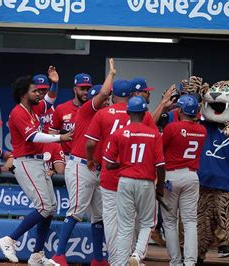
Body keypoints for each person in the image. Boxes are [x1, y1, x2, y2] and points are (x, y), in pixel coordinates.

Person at [0, 75, 72, 264]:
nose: (39, 93)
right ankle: (10, 239)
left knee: (51, 208)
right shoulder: (18, 112)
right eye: (35, 91)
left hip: (38, 162)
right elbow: (33, 137)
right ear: (24, 94)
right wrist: (59, 138)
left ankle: (37, 255)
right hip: (25, 162)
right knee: (44, 206)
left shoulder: (34, 107)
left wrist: (54, 82)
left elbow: (50, 100)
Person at [52, 59, 116, 266]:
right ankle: (59, 255)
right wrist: (112, 74)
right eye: (101, 99)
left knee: (99, 216)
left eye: (106, 100)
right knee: (77, 210)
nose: (105, 102)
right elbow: (104, 93)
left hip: (97, 168)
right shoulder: (87, 110)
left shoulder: (108, 116)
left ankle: (98, 259)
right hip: (81, 166)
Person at [85, 79, 154, 264]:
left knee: (111, 221)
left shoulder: (102, 114)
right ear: (132, 94)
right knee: (132, 221)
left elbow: (90, 143)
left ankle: (117, 261)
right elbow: (155, 142)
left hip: (110, 175)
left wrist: (90, 159)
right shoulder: (143, 116)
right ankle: (133, 256)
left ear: (112, 95)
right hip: (136, 174)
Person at [104, 96, 166, 266]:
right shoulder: (154, 134)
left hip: (124, 180)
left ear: (128, 112)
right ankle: (137, 255)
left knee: (124, 227)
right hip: (145, 182)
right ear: (145, 112)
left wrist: (122, 162)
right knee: (148, 223)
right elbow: (160, 165)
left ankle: (119, 263)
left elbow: (108, 165)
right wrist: (160, 186)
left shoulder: (119, 133)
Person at [161, 95, 206, 266]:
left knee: (170, 222)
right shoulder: (202, 130)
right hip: (191, 176)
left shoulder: (172, 128)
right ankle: (190, 262)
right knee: (190, 221)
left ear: (180, 110)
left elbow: (159, 149)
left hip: (171, 176)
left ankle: (176, 262)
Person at [49, 71, 93, 156]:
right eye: (82, 89)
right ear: (75, 89)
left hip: (87, 157)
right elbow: (52, 133)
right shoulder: (62, 108)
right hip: (66, 156)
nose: (86, 92)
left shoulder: (94, 110)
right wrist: (61, 138)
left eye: (88, 89)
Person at [33, 67, 59, 133]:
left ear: (48, 89)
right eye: (38, 89)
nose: (41, 92)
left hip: (52, 140)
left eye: (44, 89)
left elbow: (50, 98)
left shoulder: (47, 104)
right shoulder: (29, 107)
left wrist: (55, 83)